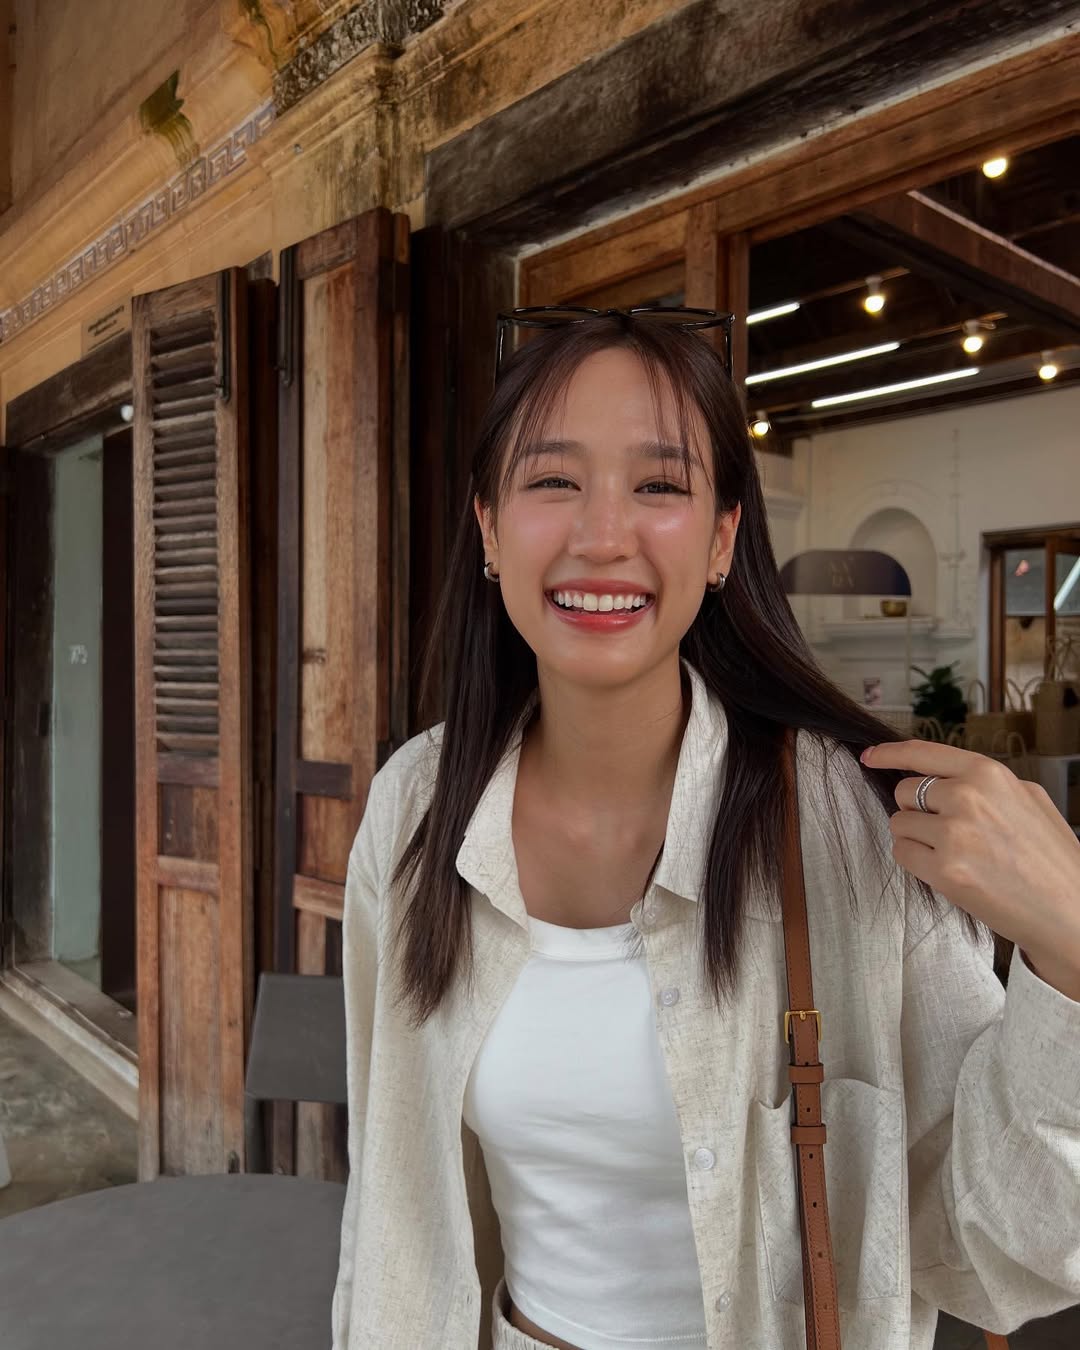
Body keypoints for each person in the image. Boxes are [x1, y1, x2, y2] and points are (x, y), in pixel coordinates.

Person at [330, 308, 1080, 1350]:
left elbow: (999, 1254)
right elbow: (393, 1203)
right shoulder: (417, 810)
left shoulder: (850, 826)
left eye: (659, 485)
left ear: (724, 538)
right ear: (490, 529)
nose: (603, 535)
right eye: (553, 480)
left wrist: (1069, 948)